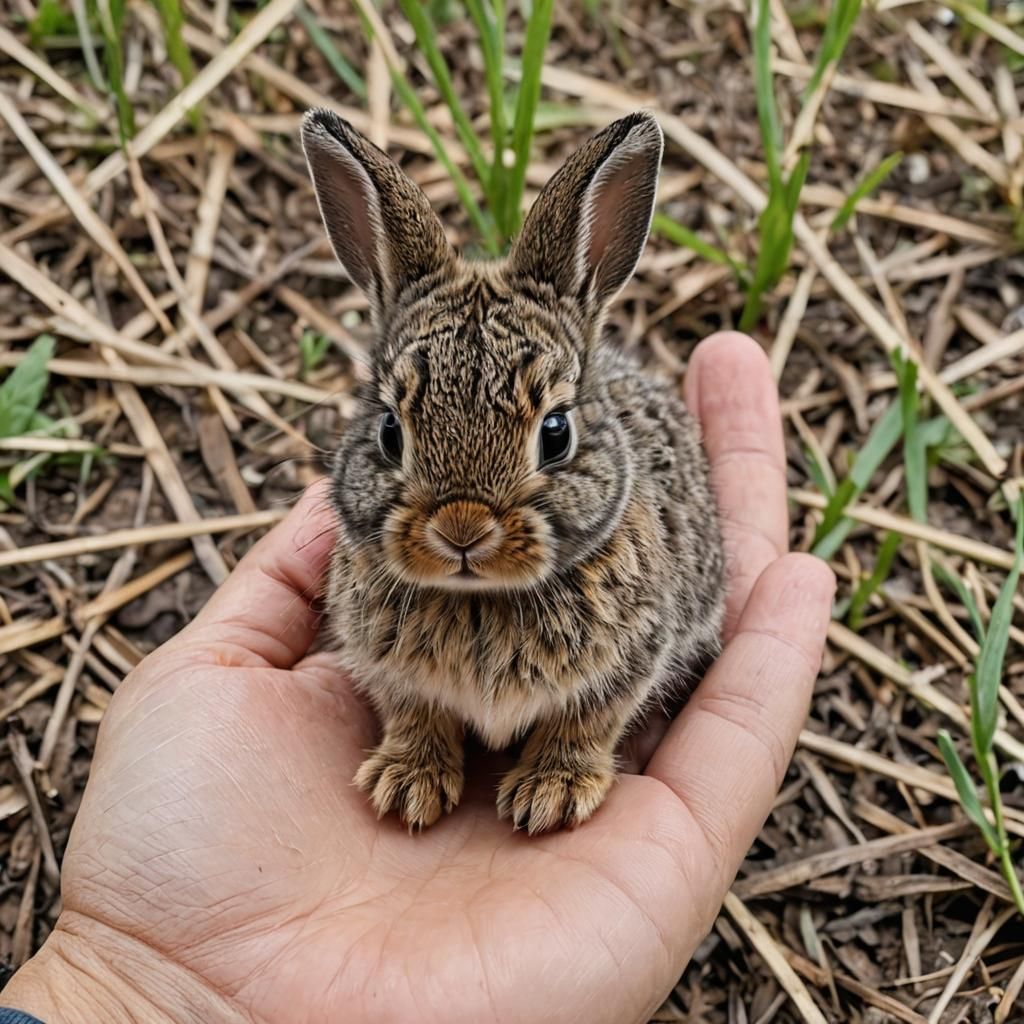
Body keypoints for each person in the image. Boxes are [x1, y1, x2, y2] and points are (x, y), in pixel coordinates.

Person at [2, 333, 835, 1024]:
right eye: (396, 443)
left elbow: (637, 656)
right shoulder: (373, 580)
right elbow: (378, 661)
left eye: (549, 437)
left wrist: (577, 744)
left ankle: (565, 741)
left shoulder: (626, 561)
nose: (465, 526)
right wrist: (138, 971)